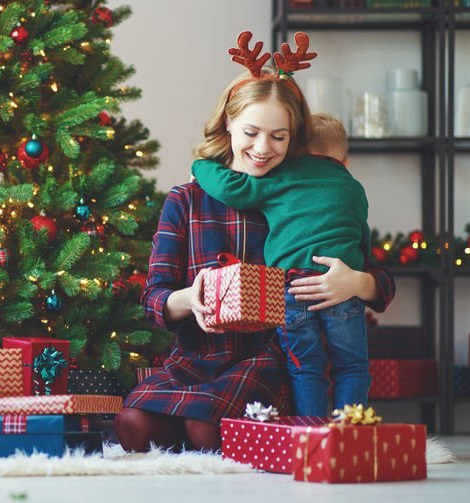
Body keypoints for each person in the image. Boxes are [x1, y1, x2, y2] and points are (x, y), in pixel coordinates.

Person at [115, 32, 395, 452]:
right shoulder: (187, 199)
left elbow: (377, 277)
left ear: (294, 138)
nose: (263, 149)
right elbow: (153, 297)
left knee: (205, 431)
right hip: (196, 360)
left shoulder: (308, 197)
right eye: (251, 132)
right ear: (228, 123)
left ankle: (216, 427)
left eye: (279, 137)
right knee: (132, 424)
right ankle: (192, 421)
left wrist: (357, 283)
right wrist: (191, 299)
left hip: (268, 361)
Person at [192, 113, 371, 416]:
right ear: (345, 160)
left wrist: (201, 165)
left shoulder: (282, 177)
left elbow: (233, 189)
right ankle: (351, 434)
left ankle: (310, 435)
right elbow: (363, 238)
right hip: (343, 288)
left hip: (293, 288)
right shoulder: (354, 188)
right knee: (352, 365)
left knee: (306, 365)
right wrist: (358, 273)